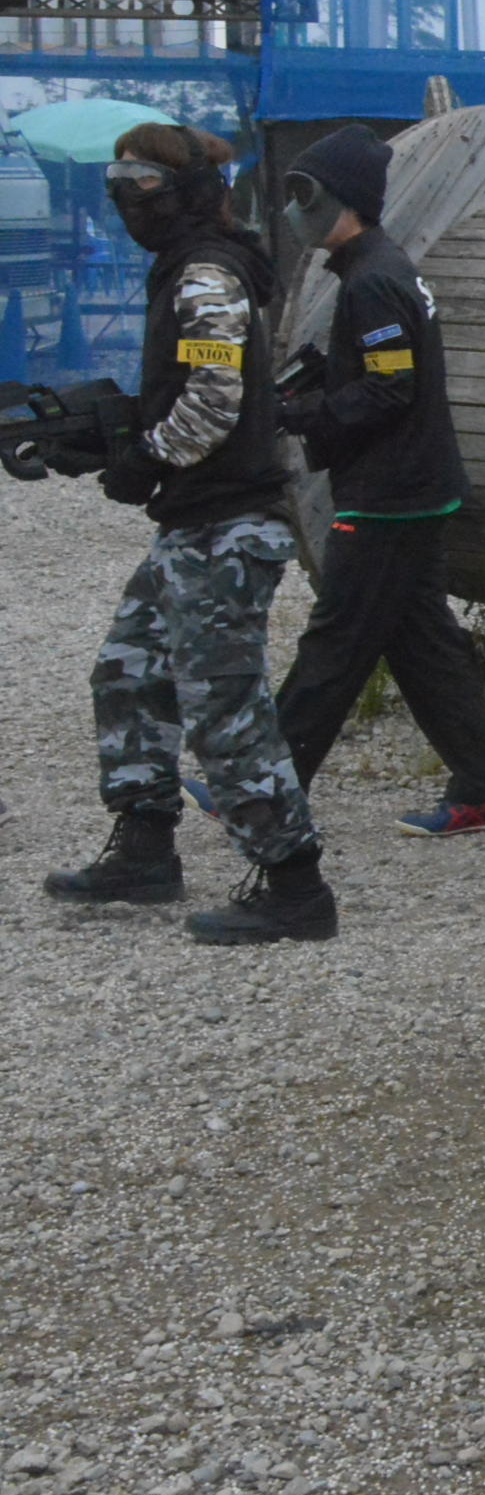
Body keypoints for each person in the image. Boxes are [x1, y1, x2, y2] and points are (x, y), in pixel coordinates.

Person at [39, 123, 340, 945]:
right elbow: (184, 390)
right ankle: (144, 848)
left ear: (192, 192)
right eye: (120, 184)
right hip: (195, 522)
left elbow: (213, 397)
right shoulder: (185, 265)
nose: (128, 200)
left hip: (228, 526)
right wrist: (102, 438)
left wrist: (144, 459)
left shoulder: (207, 271)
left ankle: (296, 886)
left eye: (143, 183)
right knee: (128, 673)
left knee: (224, 707)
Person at [269, 124, 485, 836]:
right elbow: (384, 377)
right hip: (410, 488)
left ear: (343, 200)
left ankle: (265, 785)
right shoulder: (377, 270)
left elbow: (390, 390)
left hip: (389, 495)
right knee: (423, 649)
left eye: (304, 194)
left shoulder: (374, 280)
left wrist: (300, 414)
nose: (293, 210)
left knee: (335, 643)